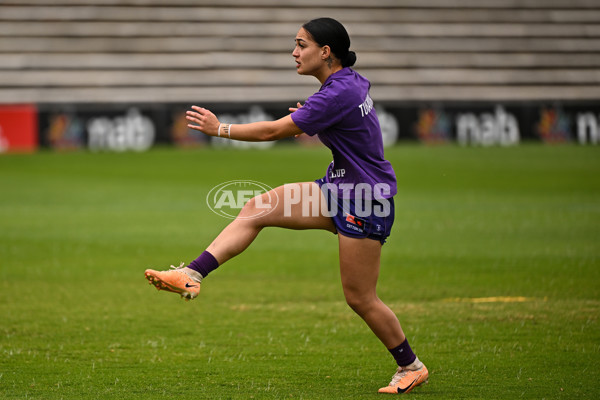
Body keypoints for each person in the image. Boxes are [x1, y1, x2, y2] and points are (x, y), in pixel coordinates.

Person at [145, 17, 428, 394]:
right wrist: (317, 120)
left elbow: (273, 131)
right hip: (340, 188)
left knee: (360, 297)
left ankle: (410, 366)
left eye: (301, 45)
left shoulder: (335, 93)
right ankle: (192, 274)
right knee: (258, 208)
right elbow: (344, 126)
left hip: (365, 200)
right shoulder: (346, 84)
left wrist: (220, 129)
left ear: (325, 52)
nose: (294, 52)